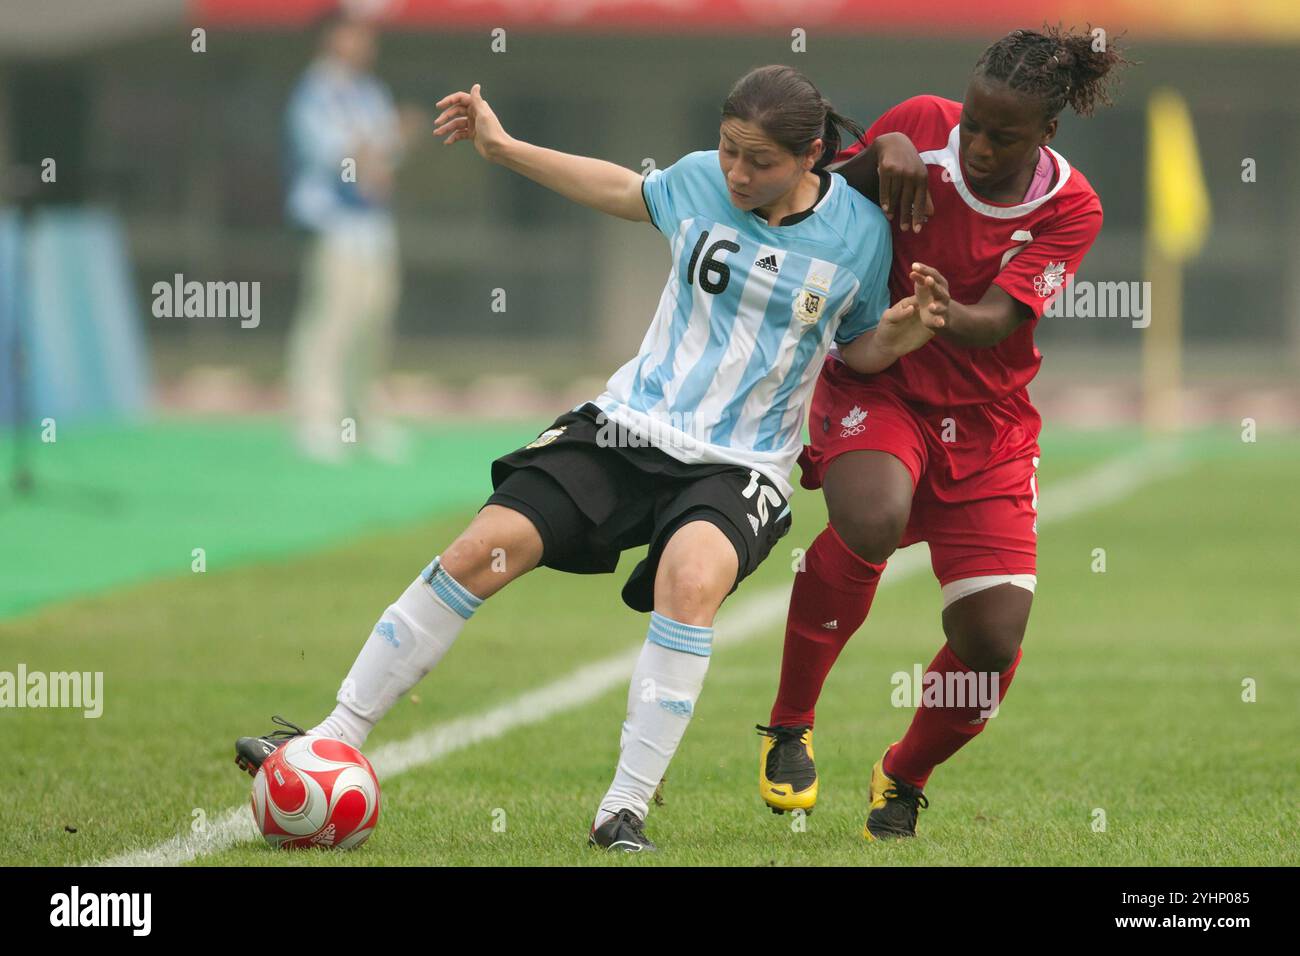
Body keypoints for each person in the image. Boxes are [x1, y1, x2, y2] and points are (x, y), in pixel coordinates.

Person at [235, 64, 942, 852]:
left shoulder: (860, 234)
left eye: (760, 161)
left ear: (811, 155)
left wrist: (907, 330)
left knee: (692, 579)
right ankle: (333, 736)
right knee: (479, 551)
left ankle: (624, 810)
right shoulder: (700, 182)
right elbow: (618, 189)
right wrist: (502, 149)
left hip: (741, 465)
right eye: (728, 149)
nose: (737, 172)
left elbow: (863, 347)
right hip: (626, 427)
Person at [756, 27, 1131, 840]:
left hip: (991, 425)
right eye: (973, 125)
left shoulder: (1072, 205)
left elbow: (998, 318)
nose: (980, 147)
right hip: (881, 378)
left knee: (992, 639)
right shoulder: (922, 126)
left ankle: (903, 775)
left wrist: (944, 313)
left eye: (1005, 136)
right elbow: (817, 193)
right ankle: (790, 724)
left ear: (1047, 135)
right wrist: (881, 146)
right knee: (871, 519)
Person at [283, 5, 423, 462]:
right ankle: (317, 420)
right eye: (353, 35)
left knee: (374, 321)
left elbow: (386, 158)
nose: (364, 44)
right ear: (331, 38)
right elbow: (337, 157)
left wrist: (394, 141)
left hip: (373, 227)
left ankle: (365, 418)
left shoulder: (369, 92)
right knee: (331, 320)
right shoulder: (315, 93)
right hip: (334, 223)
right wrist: (374, 150)